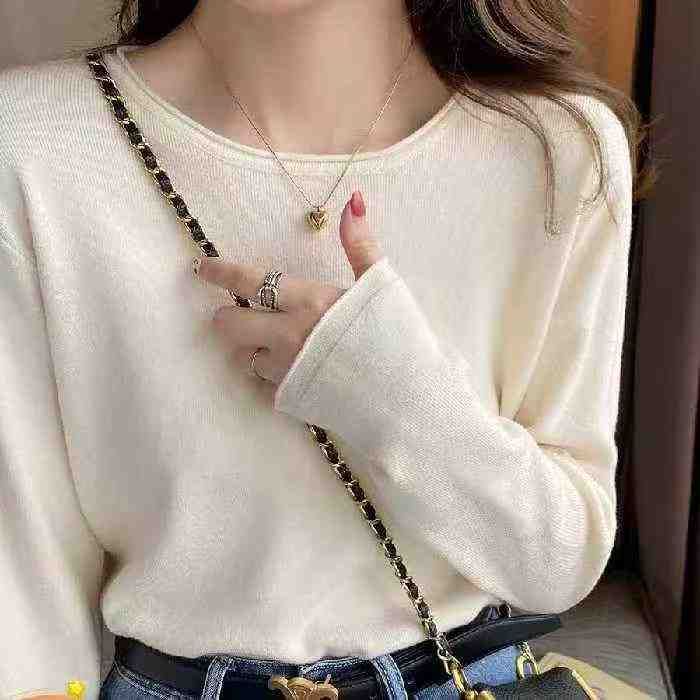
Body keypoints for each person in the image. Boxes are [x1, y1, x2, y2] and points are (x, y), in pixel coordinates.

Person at [0, 1, 648, 699]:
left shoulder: (559, 150)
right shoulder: (35, 141)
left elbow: (557, 562)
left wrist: (390, 392)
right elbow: (23, 593)